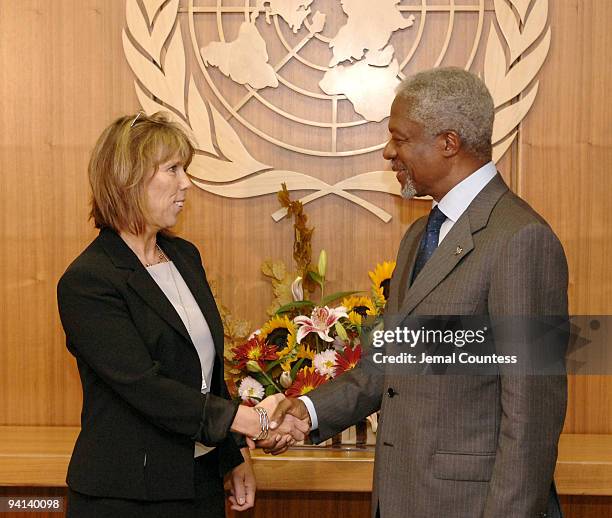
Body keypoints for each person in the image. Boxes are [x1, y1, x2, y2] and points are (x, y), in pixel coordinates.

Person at [268, 67, 568, 518]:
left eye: (400, 138)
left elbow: (531, 417)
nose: (389, 152)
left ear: (448, 143)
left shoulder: (520, 239)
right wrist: (307, 411)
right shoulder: (419, 236)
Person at [57, 112, 307, 517]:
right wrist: (249, 421)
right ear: (127, 179)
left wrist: (235, 455)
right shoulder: (89, 281)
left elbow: (204, 377)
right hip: (127, 495)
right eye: (172, 169)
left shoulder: (184, 256)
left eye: (184, 169)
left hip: (200, 483)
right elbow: (146, 388)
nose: (186, 183)